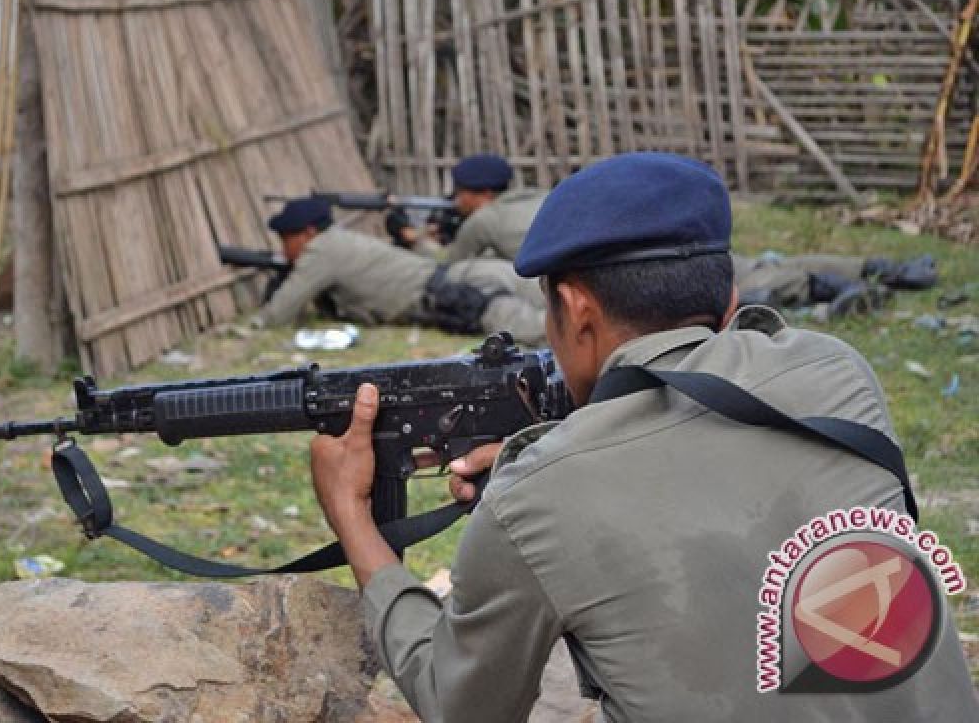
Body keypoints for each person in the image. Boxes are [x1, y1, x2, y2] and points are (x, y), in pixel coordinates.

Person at [308, 152, 976, 722]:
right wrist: (560, 453)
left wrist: (355, 520)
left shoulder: (535, 499)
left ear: (574, 308)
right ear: (730, 292)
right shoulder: (838, 374)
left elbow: (462, 706)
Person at [254, 197, 547, 345]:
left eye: (286, 240)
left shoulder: (321, 251)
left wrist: (254, 325)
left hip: (459, 294)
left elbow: (278, 314)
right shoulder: (340, 241)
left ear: (306, 234)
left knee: (544, 332)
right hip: (473, 274)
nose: (284, 249)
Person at [388, 153, 547, 262]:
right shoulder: (541, 196)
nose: (457, 200)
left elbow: (448, 261)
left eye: (460, 192)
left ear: (486, 193)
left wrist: (417, 240)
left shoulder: (486, 219)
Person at [733, 252, 937, 317]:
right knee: (794, 280)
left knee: (815, 262)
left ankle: (897, 271)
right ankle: (859, 295)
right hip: (732, 284)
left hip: (744, 265)